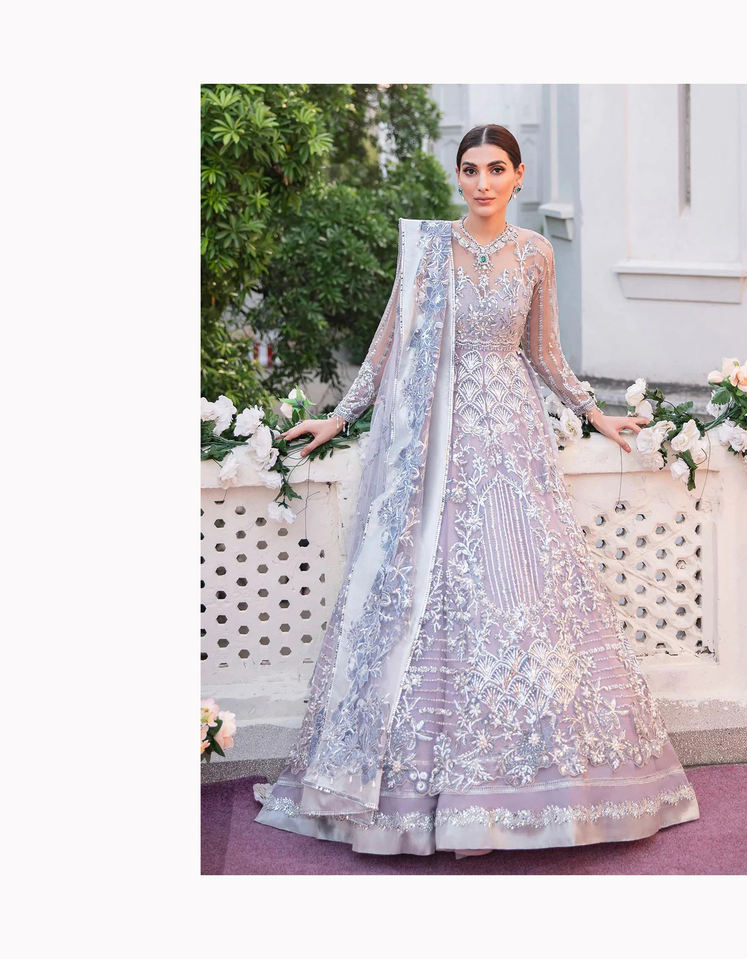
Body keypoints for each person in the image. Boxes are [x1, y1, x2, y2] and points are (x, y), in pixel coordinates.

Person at [253, 123, 700, 857]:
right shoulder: (430, 251)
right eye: (470, 169)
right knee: (434, 590)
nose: (483, 182)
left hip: (514, 441)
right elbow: (390, 340)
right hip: (436, 441)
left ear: (519, 176)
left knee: (521, 585)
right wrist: (341, 415)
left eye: (496, 169)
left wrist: (594, 412)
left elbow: (544, 353)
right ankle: (423, 791)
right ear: (457, 177)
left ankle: (533, 787)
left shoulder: (536, 253)